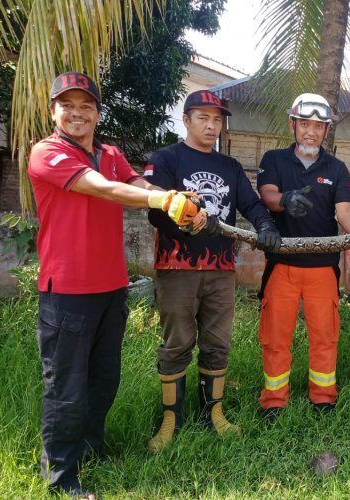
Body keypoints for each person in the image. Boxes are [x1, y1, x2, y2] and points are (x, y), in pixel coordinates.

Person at [27, 72, 198, 497]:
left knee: (103, 380)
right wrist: (161, 199)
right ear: (54, 111)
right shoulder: (47, 152)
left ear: (98, 113)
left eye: (86, 105)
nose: (77, 112)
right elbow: (102, 189)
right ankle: (61, 476)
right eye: (68, 105)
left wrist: (175, 199)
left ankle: (88, 449)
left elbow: (136, 184)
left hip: (110, 287)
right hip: (65, 290)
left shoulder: (110, 152)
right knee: (66, 387)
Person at [145, 90, 281, 452]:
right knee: (177, 343)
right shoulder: (166, 158)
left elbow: (251, 203)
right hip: (177, 266)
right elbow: (154, 211)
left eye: (217, 119)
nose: (211, 125)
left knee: (218, 342)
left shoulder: (231, 167)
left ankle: (213, 412)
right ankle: (171, 418)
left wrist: (265, 225)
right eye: (203, 118)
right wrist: (189, 225)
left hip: (222, 269)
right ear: (186, 120)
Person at [256, 93, 350, 419]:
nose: (311, 132)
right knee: (275, 337)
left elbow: (343, 211)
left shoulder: (336, 168)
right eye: (305, 124)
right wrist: (285, 199)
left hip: (322, 267)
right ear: (293, 124)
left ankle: (324, 397)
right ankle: (274, 400)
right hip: (282, 265)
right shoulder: (273, 159)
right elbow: (267, 194)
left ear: (327, 129)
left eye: (318, 125)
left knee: (325, 336)